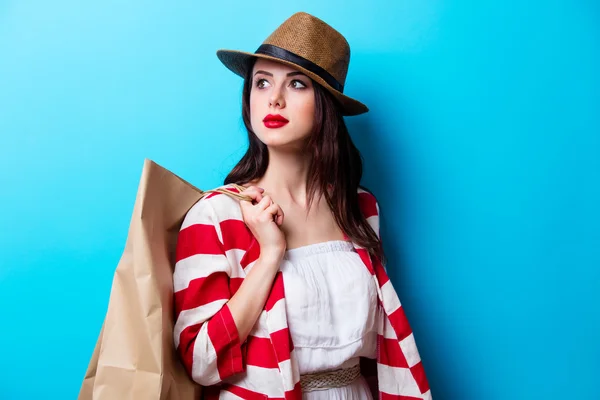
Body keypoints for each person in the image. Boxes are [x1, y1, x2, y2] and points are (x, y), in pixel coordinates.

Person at [173, 11, 432, 400]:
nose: (274, 98)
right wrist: (270, 254)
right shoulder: (217, 215)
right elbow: (201, 363)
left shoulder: (359, 207)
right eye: (261, 83)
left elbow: (375, 348)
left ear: (325, 104)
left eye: (296, 84)